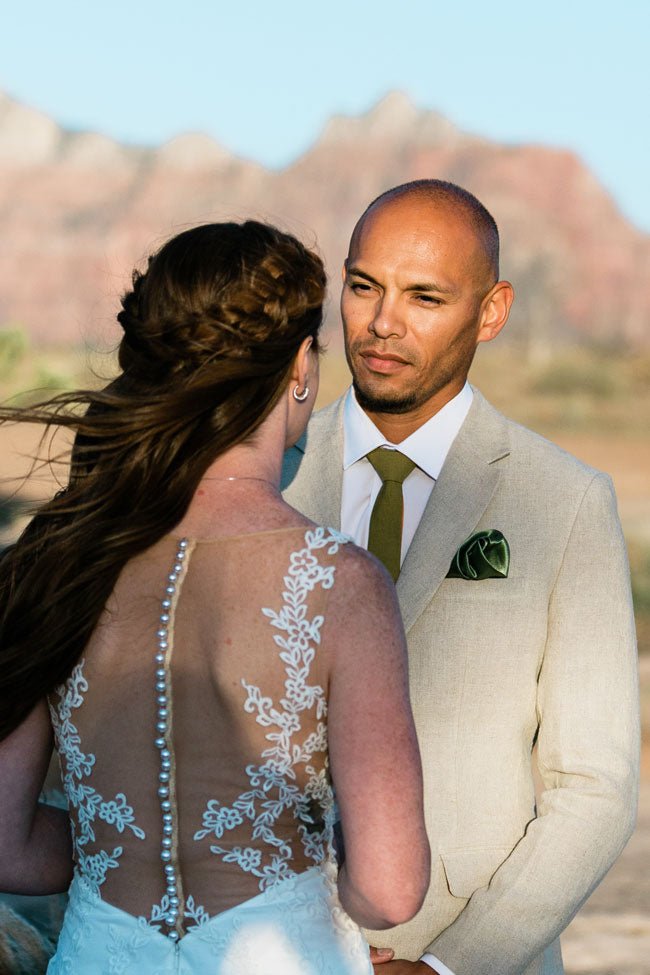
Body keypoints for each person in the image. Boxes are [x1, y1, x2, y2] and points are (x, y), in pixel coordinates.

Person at [0, 221, 430, 974]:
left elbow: (9, 846)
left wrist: (117, 848)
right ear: (300, 366)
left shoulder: (58, 560)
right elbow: (390, 891)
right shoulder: (341, 583)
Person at [282, 180, 640, 975]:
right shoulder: (262, 481)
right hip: (267, 949)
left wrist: (450, 968)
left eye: (425, 296)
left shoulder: (567, 499)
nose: (382, 323)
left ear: (491, 311)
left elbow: (596, 786)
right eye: (365, 285)